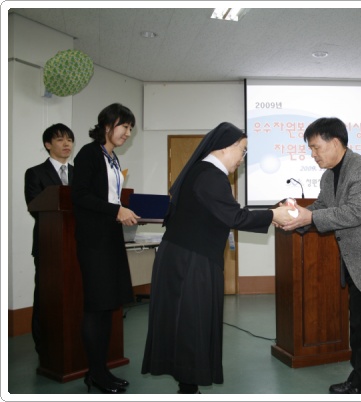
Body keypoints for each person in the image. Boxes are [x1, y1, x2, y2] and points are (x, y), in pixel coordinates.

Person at [141, 122, 295, 394]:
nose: (243, 158)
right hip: (190, 262)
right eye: (243, 150)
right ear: (227, 146)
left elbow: (226, 214)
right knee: (190, 325)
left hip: (188, 258)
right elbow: (234, 216)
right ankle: (188, 389)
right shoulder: (210, 175)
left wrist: (271, 214)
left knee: (187, 323)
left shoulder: (205, 172)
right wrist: (274, 215)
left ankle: (187, 386)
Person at [281, 117, 361, 394]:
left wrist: (308, 217)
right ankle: (358, 379)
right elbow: (323, 206)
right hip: (356, 263)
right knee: (359, 327)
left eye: (316, 147)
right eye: (310, 149)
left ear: (335, 142)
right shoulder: (329, 176)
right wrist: (294, 217)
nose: (313, 155)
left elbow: (353, 213)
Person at [71, 103, 140, 393]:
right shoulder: (89, 153)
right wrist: (116, 210)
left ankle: (101, 371)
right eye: (125, 126)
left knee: (108, 306)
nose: (127, 133)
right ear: (108, 124)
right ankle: (96, 373)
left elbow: (109, 196)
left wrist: (122, 211)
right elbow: (80, 196)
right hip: (94, 241)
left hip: (110, 238)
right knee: (96, 307)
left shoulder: (111, 157)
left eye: (130, 129)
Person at [24, 123, 75, 356]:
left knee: (74, 295)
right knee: (46, 296)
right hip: (48, 245)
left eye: (69, 140)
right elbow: (35, 207)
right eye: (60, 140)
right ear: (48, 144)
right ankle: (43, 344)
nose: (66, 144)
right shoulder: (35, 173)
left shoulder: (79, 174)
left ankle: (72, 340)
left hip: (76, 244)